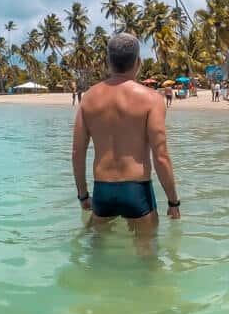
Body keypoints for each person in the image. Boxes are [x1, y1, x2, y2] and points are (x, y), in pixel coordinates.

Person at [72, 33, 181, 230]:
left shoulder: (88, 98)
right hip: (137, 190)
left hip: (102, 189)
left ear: (108, 61)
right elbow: (161, 156)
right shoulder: (151, 99)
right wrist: (173, 202)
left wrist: (83, 195)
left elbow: (77, 153)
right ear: (138, 62)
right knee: (147, 256)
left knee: (96, 255)